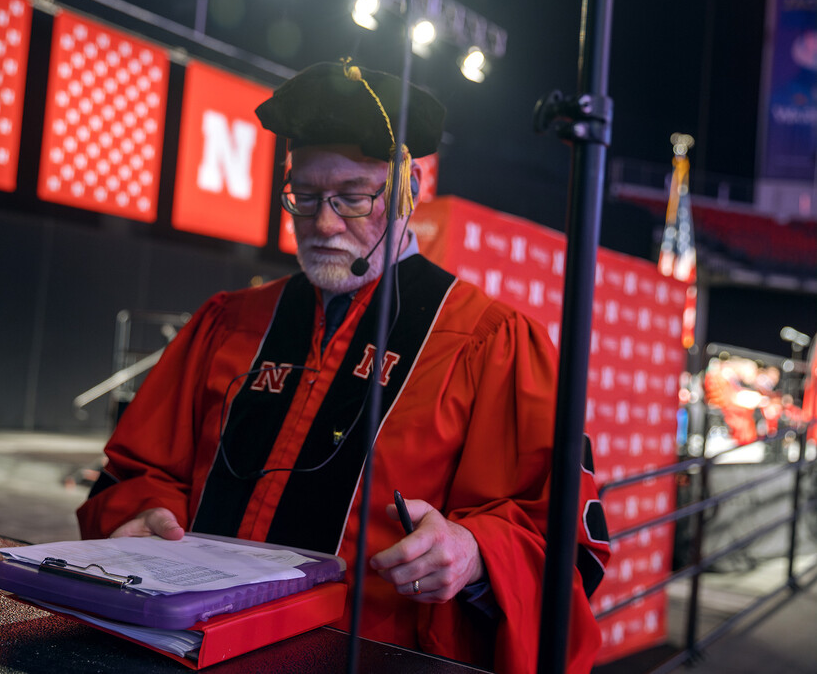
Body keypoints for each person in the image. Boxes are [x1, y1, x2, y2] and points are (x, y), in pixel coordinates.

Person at [77, 60, 611, 674]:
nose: (324, 224)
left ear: (408, 190)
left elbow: (568, 545)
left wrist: (473, 551)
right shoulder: (231, 322)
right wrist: (142, 514)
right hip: (190, 651)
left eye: (354, 198)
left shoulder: (487, 341)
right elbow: (137, 472)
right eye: (303, 197)